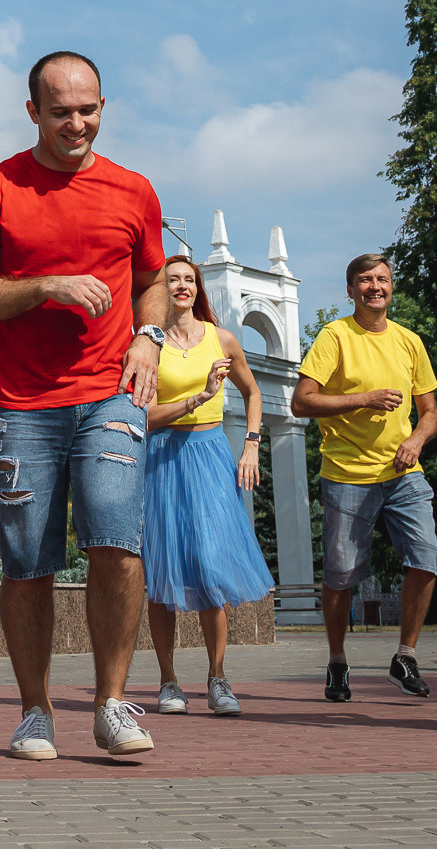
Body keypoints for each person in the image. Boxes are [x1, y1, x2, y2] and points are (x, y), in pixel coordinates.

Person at [0, 51, 170, 763]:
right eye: (61, 111)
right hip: (23, 403)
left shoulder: (134, 190)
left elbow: (154, 282)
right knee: (27, 562)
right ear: (33, 111)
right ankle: (36, 710)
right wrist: (45, 286)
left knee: (116, 542)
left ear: (103, 105)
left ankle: (110, 702)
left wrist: (150, 338)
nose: (77, 124)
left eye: (89, 109)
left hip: (111, 389)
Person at [291, 253, 437, 706]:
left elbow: (430, 412)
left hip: (402, 471)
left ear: (391, 286)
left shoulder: (410, 341)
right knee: (340, 576)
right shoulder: (336, 336)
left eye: (382, 279)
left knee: (426, 557)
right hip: (346, 474)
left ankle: (405, 656)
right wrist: (363, 399)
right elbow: (302, 402)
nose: (375, 286)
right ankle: (337, 661)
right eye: (365, 280)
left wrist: (416, 439)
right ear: (351, 289)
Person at [144, 256, 272, 718]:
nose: (182, 286)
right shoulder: (148, 344)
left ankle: (218, 678)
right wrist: (194, 399)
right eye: (172, 280)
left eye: (188, 280)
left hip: (211, 454)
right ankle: (168, 681)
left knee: (211, 569)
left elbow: (253, 392)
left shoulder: (221, 339)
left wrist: (252, 445)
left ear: (199, 288)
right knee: (163, 572)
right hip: (161, 458)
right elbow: (143, 417)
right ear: (160, 290)